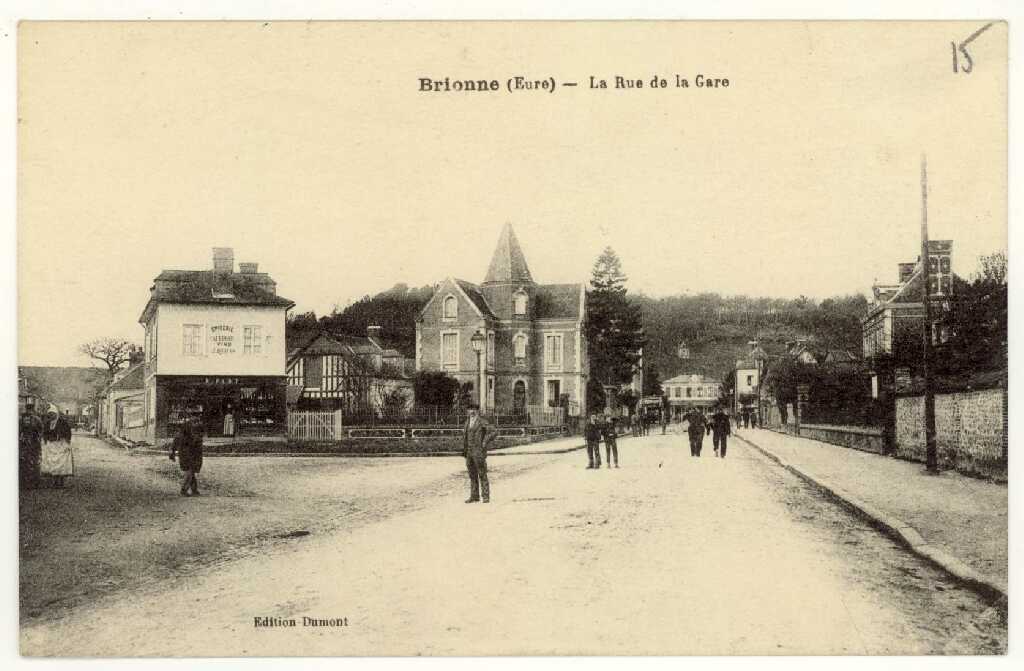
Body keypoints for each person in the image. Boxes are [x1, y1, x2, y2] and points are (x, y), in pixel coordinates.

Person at [462, 404, 495, 502]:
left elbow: (494, 432)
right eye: (469, 409)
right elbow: (465, 437)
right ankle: (474, 496)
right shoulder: (467, 422)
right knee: (472, 474)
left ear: (477, 411)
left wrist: (484, 442)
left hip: (479, 451)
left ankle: (485, 496)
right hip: (469, 452)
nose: (471, 412)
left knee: (482, 473)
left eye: (474, 410)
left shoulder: (482, 422)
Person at [40, 406, 74, 488]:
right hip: (51, 445)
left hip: (60, 445)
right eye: (50, 414)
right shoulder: (48, 423)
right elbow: (44, 433)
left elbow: (68, 433)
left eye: (53, 414)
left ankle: (61, 481)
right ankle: (54, 481)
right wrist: (45, 440)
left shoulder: (62, 423)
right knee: (52, 462)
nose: (51, 416)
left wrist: (66, 441)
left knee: (61, 463)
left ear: (56, 414)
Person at [170, 418, 204, 496]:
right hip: (187, 456)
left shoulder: (181, 435)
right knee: (189, 473)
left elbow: (174, 445)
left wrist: (172, 453)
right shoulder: (189, 436)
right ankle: (184, 490)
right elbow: (195, 446)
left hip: (186, 456)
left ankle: (194, 490)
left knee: (191, 473)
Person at [19, 401, 44, 490]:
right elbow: (41, 430)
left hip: (24, 442)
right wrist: (39, 439)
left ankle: (25, 481)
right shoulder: (37, 419)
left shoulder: (21, 418)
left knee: (24, 461)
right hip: (34, 443)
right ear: (33, 409)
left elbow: (19, 431)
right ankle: (34, 481)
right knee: (35, 461)